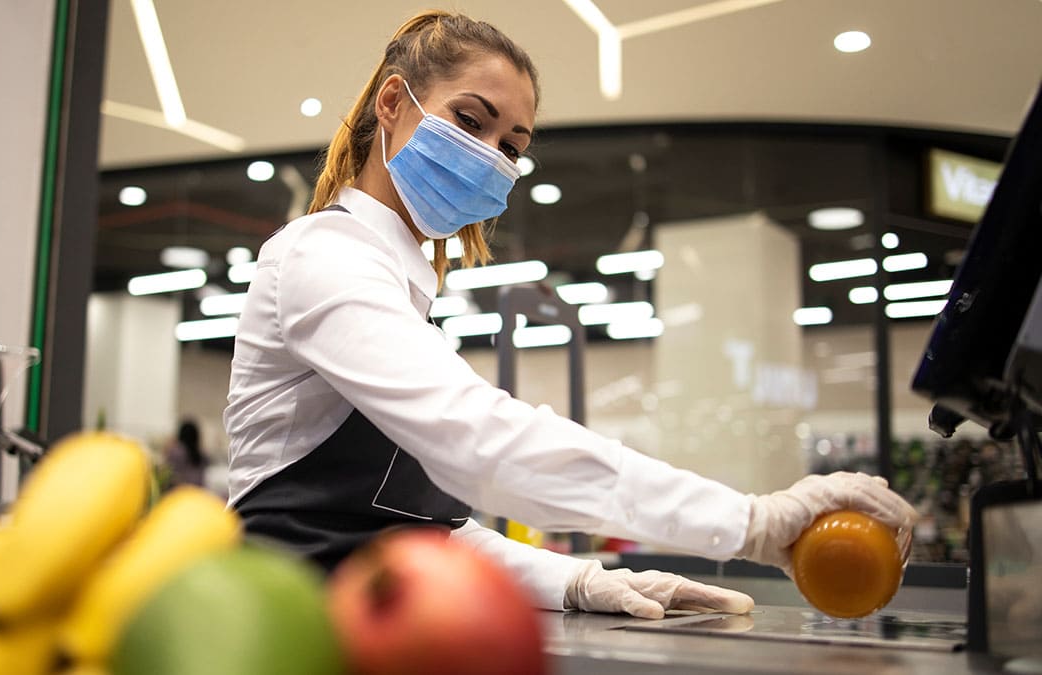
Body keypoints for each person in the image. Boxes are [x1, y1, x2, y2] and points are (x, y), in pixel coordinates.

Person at [223, 10, 917, 618]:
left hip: (365, 620)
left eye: (511, 146)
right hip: (273, 627)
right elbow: (479, 441)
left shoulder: (401, 293)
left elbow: (417, 532)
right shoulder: (323, 255)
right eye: (470, 120)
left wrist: (579, 580)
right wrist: (750, 521)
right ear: (392, 102)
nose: (489, 156)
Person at [164, 419, 207, 489]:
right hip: (198, 492)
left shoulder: (175, 452)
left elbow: (168, 476)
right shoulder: (201, 456)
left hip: (180, 492)